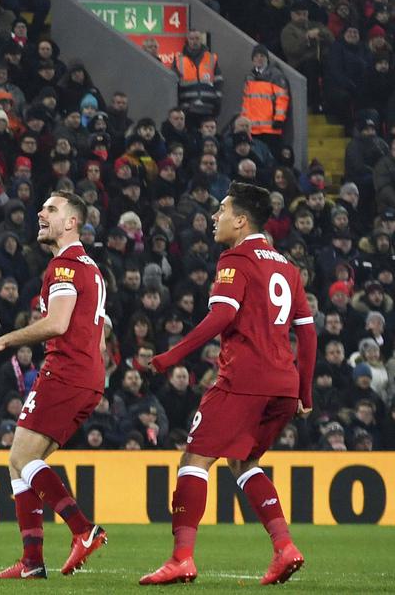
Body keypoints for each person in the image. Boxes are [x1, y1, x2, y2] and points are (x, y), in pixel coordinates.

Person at [139, 182, 316, 586]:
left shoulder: (234, 259)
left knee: (194, 461)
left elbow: (220, 317)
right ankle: (284, 547)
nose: (215, 217)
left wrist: (169, 357)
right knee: (244, 462)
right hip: (283, 386)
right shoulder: (287, 267)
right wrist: (304, 391)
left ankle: (181, 558)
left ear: (240, 220)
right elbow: (307, 333)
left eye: (221, 210)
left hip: (243, 380)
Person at [0, 191, 110, 579]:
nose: (41, 214)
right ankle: (32, 561)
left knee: (21, 459)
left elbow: (58, 323)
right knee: (23, 465)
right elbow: (101, 330)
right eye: (43, 208)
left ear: (72, 222)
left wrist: (3, 340)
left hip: (66, 373)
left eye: (52, 209)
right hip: (86, 375)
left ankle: (83, 530)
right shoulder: (90, 267)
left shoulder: (64, 266)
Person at [240, 46, 289, 155]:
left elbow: (282, 99)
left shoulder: (276, 75)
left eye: (262, 56)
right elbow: (246, 102)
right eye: (256, 56)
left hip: (270, 129)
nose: (259, 59)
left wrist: (279, 119)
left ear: (267, 58)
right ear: (253, 60)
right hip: (252, 129)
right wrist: (244, 121)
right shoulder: (249, 77)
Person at [171, 30, 222, 120]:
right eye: (192, 39)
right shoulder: (179, 59)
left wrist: (218, 100)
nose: (194, 41)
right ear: (187, 40)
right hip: (187, 108)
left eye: (197, 38)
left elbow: (218, 80)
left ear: (201, 40)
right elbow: (173, 83)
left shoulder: (211, 58)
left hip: (208, 107)